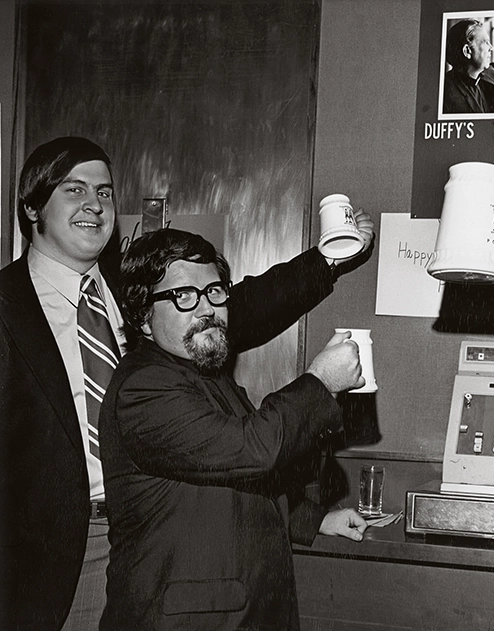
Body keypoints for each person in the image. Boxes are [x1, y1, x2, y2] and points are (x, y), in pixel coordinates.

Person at [0, 136, 374, 630]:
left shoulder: (148, 286)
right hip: (56, 552)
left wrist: (329, 258)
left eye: (106, 192)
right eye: (74, 189)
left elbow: (247, 308)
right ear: (32, 207)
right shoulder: (8, 308)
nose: (94, 204)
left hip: (167, 534)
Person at [98, 228, 367, 630]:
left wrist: (313, 520)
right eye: (183, 296)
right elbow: (252, 451)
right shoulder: (145, 387)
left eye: (215, 292)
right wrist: (320, 382)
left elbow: (233, 484)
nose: (206, 308)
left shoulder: (203, 370)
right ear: (142, 317)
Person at [442, 18, 494, 115]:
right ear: (467, 51)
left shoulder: (489, 72)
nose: (491, 48)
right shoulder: (444, 92)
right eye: (486, 42)